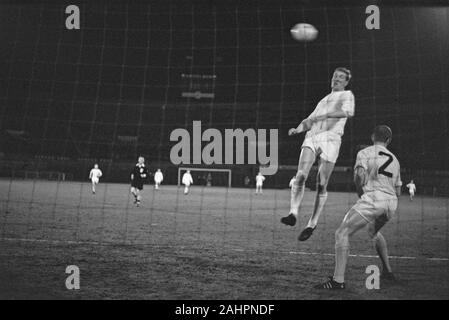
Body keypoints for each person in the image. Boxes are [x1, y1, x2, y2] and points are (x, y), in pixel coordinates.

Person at [315, 125, 402, 289]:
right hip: (391, 203)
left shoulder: (365, 153)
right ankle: (388, 272)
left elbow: (359, 176)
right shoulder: (395, 160)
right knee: (373, 231)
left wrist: (362, 194)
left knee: (342, 233)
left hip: (374, 199)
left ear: (372, 137)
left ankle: (337, 281)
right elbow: (398, 190)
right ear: (388, 140)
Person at [281, 67, 355, 242]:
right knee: (300, 175)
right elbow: (309, 120)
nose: (336, 79)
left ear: (345, 82)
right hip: (312, 137)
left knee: (321, 184)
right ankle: (293, 213)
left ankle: (311, 224)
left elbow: (347, 112)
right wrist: (297, 128)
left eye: (340, 77)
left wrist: (326, 115)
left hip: (331, 139)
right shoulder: (322, 101)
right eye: (334, 76)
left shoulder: (347, 95)